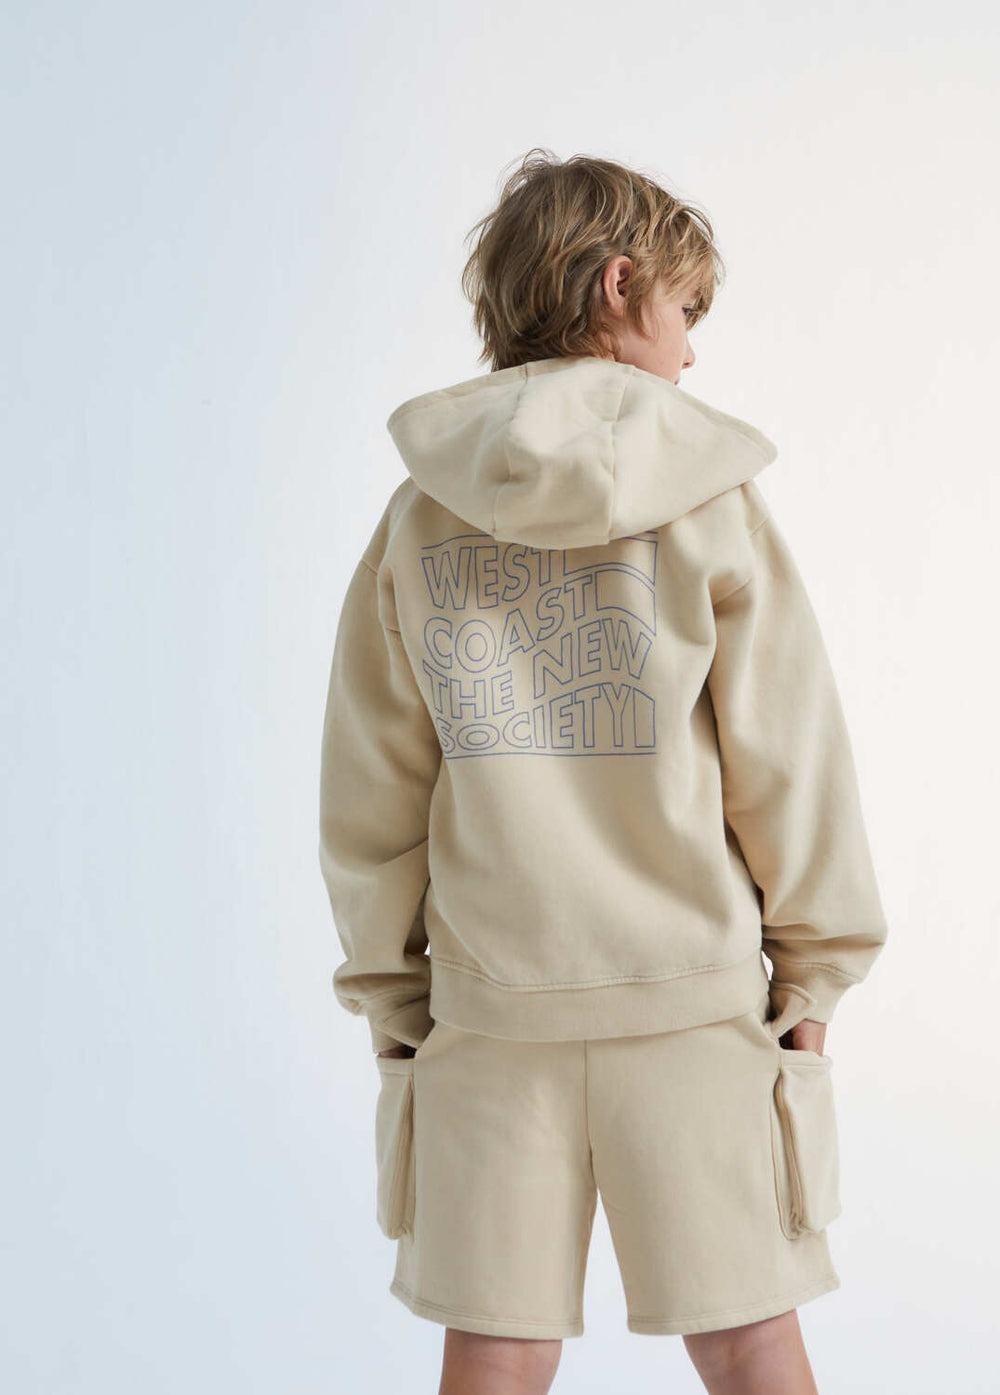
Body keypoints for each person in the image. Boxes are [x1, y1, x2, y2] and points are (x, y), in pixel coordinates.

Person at [318, 148, 888, 1395]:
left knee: (495, 1350)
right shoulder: (711, 499)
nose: (690, 353)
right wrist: (815, 968)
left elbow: (372, 787)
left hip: (489, 1013)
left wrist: (394, 999)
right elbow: (788, 756)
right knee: (749, 1340)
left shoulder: (420, 516)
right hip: (690, 1003)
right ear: (621, 287)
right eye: (684, 312)